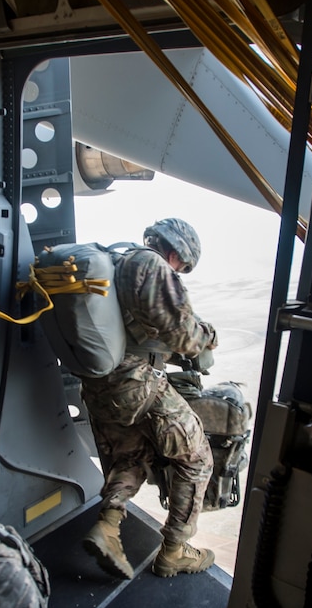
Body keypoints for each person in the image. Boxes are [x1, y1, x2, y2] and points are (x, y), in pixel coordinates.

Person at [81, 218, 218, 580]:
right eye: (183, 267)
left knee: (133, 455)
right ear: (175, 252)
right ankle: (174, 550)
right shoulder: (151, 265)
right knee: (198, 457)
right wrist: (208, 337)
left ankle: (107, 527)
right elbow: (185, 337)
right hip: (137, 383)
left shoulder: (118, 260)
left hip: (100, 386)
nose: (181, 273)